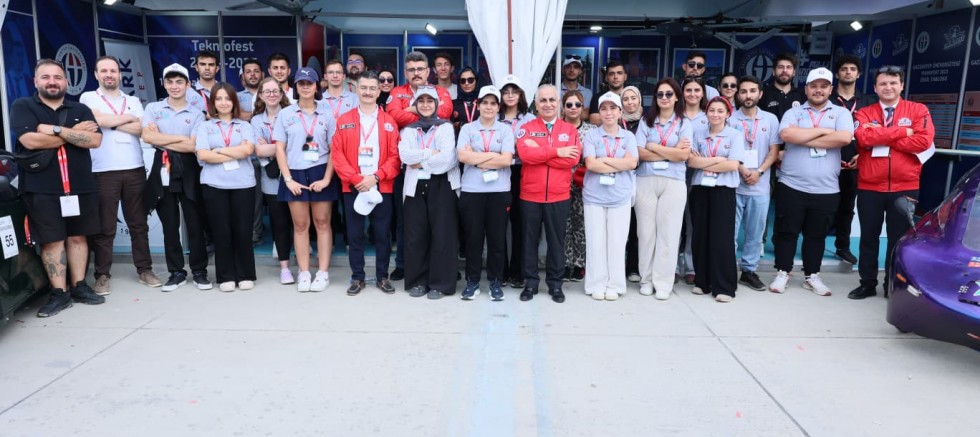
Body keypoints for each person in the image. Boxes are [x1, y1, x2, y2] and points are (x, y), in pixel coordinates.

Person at [12, 59, 105, 317]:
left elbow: (94, 140)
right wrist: (72, 133)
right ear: (36, 81)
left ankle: (79, 286)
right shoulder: (23, 106)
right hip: (41, 188)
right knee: (52, 241)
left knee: (78, 237)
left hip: (80, 186)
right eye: (46, 77)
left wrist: (53, 130)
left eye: (57, 77)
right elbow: (30, 141)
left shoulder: (81, 109)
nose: (52, 82)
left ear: (66, 81)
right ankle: (59, 294)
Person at [850, 66, 934, 299]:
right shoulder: (864, 113)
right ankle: (867, 283)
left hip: (905, 186)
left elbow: (923, 141)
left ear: (902, 85)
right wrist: (904, 132)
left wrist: (883, 135)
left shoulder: (918, 110)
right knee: (868, 237)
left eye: (893, 83)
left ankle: (891, 284)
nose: (888, 87)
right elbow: (863, 138)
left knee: (898, 239)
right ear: (875, 87)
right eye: (883, 83)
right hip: (869, 186)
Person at [80, 55, 161, 295]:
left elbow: (141, 129)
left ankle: (145, 269)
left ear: (119, 74)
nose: (109, 75)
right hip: (103, 171)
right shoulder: (88, 97)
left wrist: (109, 122)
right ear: (96, 74)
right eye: (104, 71)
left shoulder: (133, 100)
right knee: (105, 227)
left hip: (134, 168)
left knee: (139, 224)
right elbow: (95, 119)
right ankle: (102, 275)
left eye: (113, 71)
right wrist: (127, 118)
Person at [770, 68, 854, 296]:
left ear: (830, 89)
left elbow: (844, 138)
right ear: (806, 89)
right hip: (792, 184)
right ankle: (783, 272)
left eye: (823, 86)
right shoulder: (793, 112)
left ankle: (812, 276)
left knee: (816, 236)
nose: (818, 90)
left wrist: (804, 135)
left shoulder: (841, 113)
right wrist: (825, 132)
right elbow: (787, 135)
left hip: (826, 188)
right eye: (814, 86)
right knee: (786, 232)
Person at [142, 63, 212, 292]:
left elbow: (193, 146)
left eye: (179, 82)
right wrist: (179, 139)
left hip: (190, 168)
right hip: (163, 167)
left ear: (188, 84)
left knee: (195, 222)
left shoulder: (197, 113)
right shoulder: (153, 108)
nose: (174, 86)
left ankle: (199, 271)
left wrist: (161, 137)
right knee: (169, 225)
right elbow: (147, 137)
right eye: (170, 82)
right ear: (164, 84)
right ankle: (176, 272)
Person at [331, 71, 401, 295]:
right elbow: (337, 155)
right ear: (357, 90)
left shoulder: (389, 122)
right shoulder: (344, 120)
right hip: (353, 186)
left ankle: (382, 276)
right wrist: (356, 179)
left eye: (372, 88)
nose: (368, 92)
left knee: (382, 235)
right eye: (364, 88)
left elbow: (395, 158)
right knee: (355, 235)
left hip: (381, 185)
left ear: (379, 91)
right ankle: (357, 277)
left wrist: (375, 177)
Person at [273, 67, 338, 292]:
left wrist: (327, 179)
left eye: (309, 83)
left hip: (320, 170)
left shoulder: (327, 113)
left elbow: (334, 149)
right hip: (295, 172)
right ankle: (303, 272)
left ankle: (322, 272)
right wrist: (288, 179)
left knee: (322, 222)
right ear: (296, 87)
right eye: (301, 83)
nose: (306, 87)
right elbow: (279, 149)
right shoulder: (286, 114)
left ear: (317, 85)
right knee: (300, 225)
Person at [516, 84, 581, 303]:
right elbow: (525, 155)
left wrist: (540, 153)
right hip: (530, 195)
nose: (548, 104)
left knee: (556, 243)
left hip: (558, 196)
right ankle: (530, 283)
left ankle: (555, 284)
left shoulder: (569, 130)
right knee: (529, 242)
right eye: (543, 100)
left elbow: (571, 160)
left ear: (558, 102)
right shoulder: (526, 128)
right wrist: (556, 151)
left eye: (552, 100)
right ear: (536, 104)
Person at [398, 87, 461, 299]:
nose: (425, 105)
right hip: (414, 186)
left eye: (430, 101)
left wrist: (420, 161)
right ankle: (418, 282)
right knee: (416, 236)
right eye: (421, 101)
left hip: (442, 184)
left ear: (436, 104)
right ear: (415, 105)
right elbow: (405, 156)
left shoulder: (445, 127)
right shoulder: (408, 130)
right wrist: (430, 153)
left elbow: (447, 160)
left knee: (443, 235)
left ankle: (441, 284)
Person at [195, 83, 257, 292]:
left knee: (243, 231)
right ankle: (225, 276)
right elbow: (203, 154)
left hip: (243, 184)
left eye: (227, 98)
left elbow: (247, 151)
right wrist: (233, 151)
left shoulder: (244, 125)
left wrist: (218, 150)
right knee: (221, 231)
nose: (223, 103)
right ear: (213, 103)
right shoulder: (205, 127)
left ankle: (245, 274)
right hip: (214, 184)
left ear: (234, 102)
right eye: (219, 98)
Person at [634, 78, 692, 300]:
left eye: (669, 94)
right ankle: (646, 280)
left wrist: (653, 146)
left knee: (669, 233)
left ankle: (663, 282)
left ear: (677, 97)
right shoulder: (646, 121)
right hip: (646, 180)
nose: (664, 98)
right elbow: (639, 153)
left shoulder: (684, 123)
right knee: (646, 233)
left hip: (674, 182)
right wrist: (670, 151)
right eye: (660, 94)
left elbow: (683, 155)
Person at [458, 85, 516, 301]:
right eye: (485, 103)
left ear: (498, 107)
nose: (489, 107)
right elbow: (463, 157)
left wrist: (478, 158)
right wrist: (493, 156)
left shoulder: (505, 130)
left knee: (496, 240)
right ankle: (472, 282)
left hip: (498, 191)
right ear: (478, 105)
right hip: (472, 191)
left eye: (493, 103)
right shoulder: (467, 129)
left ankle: (495, 281)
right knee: (473, 239)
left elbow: (506, 160)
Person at [582, 92, 639, 301]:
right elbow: (591, 164)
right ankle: (596, 284)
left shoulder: (629, 137)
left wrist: (604, 159)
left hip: (620, 196)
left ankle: (615, 284)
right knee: (595, 242)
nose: (608, 113)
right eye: (604, 109)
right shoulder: (591, 135)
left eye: (613, 108)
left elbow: (631, 163)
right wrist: (618, 162)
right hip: (594, 197)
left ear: (620, 112)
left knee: (617, 242)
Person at [687, 97, 745, 302]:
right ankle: (702, 281)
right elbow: (691, 161)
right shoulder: (698, 134)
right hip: (700, 188)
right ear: (706, 112)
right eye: (712, 110)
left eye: (720, 111)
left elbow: (732, 165)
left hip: (723, 190)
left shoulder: (735, 135)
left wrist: (704, 161)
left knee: (721, 238)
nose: (715, 114)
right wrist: (718, 160)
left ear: (728, 114)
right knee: (700, 236)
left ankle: (724, 286)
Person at [730, 75, 781, 291]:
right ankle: (728, 269)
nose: (748, 95)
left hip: (760, 186)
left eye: (752, 91)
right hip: (734, 184)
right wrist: (742, 169)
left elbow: (774, 151)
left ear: (760, 94)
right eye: (743, 91)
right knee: (730, 232)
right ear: (738, 95)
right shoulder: (730, 119)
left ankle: (749, 271)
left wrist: (759, 171)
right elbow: (726, 150)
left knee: (755, 233)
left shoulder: (770, 119)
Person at [830, 55, 878, 265]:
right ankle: (814, 245)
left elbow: (876, 133)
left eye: (852, 69)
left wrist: (863, 154)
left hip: (856, 162)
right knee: (823, 207)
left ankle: (842, 246)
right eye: (843, 69)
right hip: (828, 160)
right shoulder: (827, 99)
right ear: (837, 73)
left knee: (847, 208)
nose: (848, 72)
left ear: (858, 74)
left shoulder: (868, 102)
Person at [252, 77, 295, 284]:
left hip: (294, 174)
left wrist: (271, 146)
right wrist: (281, 146)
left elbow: (297, 144)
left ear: (281, 93)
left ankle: (302, 257)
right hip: (271, 178)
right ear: (260, 95)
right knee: (280, 223)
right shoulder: (256, 121)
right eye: (267, 91)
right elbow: (258, 151)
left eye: (275, 91)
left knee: (299, 221)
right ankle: (284, 268)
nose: (271, 95)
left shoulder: (291, 114)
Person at [498, 75, 535, 289]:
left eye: (514, 91)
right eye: (506, 92)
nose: (510, 96)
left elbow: (533, 146)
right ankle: (501, 270)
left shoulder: (530, 119)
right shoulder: (495, 117)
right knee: (499, 223)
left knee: (520, 223)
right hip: (499, 170)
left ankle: (517, 271)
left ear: (521, 95)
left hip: (522, 171)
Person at [561, 90, 595, 283]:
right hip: (561, 182)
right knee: (563, 224)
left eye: (577, 105)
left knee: (581, 224)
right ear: (563, 108)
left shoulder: (591, 130)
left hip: (584, 183)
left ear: (583, 108)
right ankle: (566, 263)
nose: (573, 108)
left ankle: (580, 263)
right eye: (569, 104)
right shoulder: (557, 128)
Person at [677, 78, 708, 285]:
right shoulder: (675, 115)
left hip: (698, 175)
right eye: (688, 90)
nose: (693, 94)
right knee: (674, 223)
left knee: (692, 223)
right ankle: (671, 266)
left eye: (697, 90)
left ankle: (690, 266)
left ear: (703, 93)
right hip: (675, 172)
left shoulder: (709, 116)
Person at [387, 51, 453, 128]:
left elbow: (446, 112)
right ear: (406, 74)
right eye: (411, 70)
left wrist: (411, 109)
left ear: (427, 72)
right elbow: (394, 116)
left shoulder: (440, 91)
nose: (416, 73)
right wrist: (430, 114)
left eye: (420, 69)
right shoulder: (397, 91)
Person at [238, 58, 264, 244]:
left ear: (262, 74)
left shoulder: (270, 92)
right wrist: (261, 114)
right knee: (252, 199)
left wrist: (247, 115)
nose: (252, 74)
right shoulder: (236, 96)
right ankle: (254, 233)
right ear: (243, 76)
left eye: (256, 71)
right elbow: (236, 115)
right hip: (248, 157)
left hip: (270, 155)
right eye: (248, 71)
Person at [620, 85, 644, 282]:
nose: (630, 102)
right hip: (620, 177)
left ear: (639, 100)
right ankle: (617, 266)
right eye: (625, 99)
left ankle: (634, 267)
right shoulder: (615, 122)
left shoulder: (648, 121)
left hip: (642, 177)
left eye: (633, 98)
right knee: (621, 225)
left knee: (638, 225)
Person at [759, 53, 805, 121]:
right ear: (774, 72)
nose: (785, 70)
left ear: (794, 72)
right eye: (780, 67)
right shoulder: (762, 94)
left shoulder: (802, 95)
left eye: (788, 67)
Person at [588, 60, 627, 125]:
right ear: (606, 78)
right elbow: (593, 120)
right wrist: (624, 117)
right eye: (611, 74)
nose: (616, 77)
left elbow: (638, 114)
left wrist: (606, 118)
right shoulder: (598, 97)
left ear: (625, 77)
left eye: (619, 73)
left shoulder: (632, 96)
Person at [188, 50, 218, 115]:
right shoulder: (188, 93)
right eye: (203, 64)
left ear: (217, 68)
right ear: (196, 67)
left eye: (211, 65)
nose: (207, 68)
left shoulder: (226, 91)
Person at [451, 67, 480, 133]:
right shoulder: (453, 104)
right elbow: (448, 126)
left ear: (476, 81)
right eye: (463, 81)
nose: (466, 83)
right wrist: (459, 125)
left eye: (470, 80)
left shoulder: (483, 103)